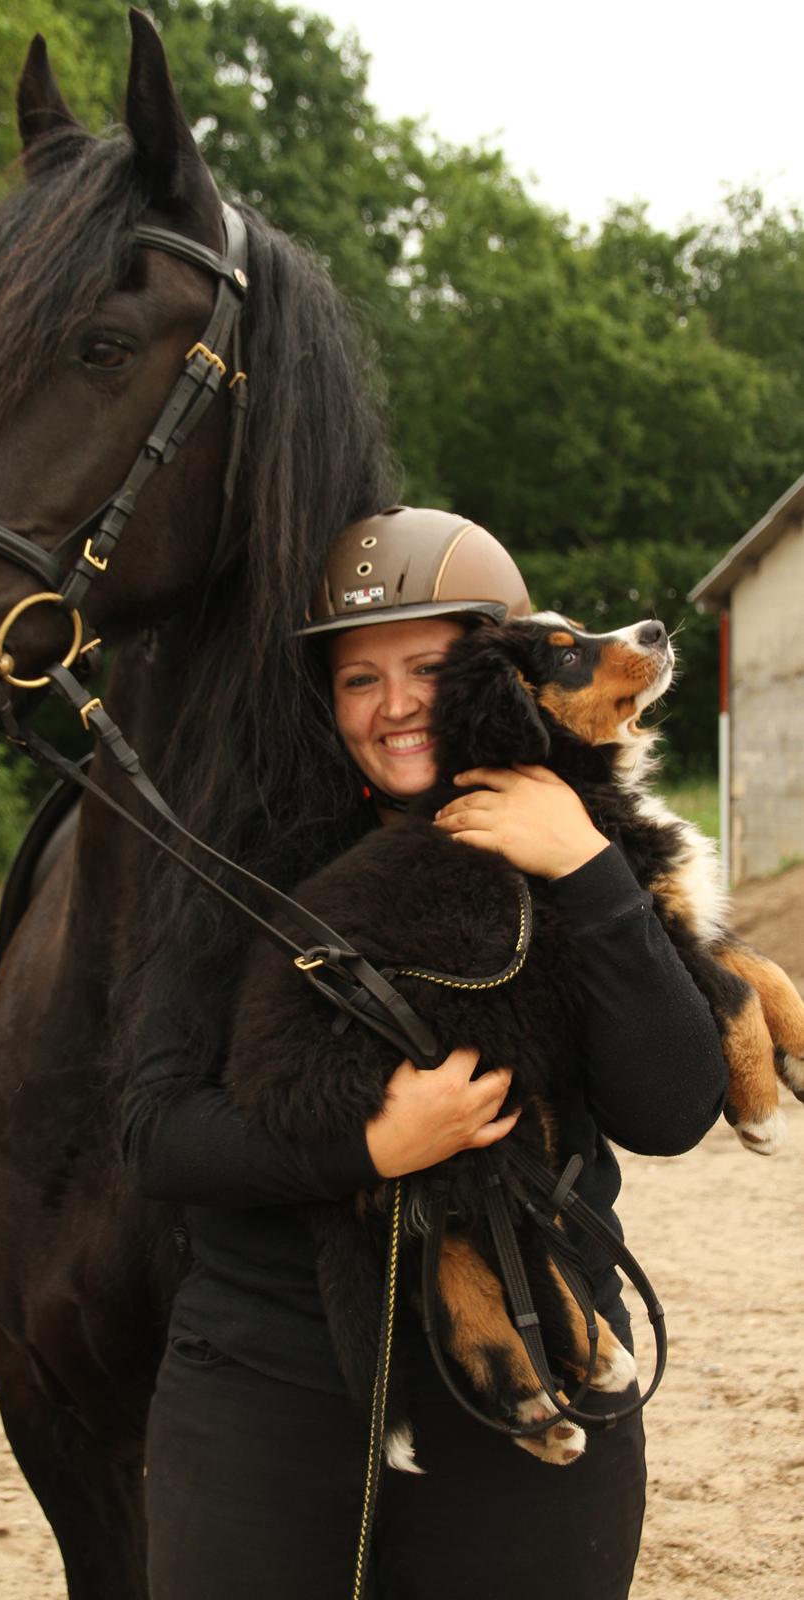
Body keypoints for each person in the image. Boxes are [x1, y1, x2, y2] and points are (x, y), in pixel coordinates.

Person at [122, 506, 727, 1600]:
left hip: (544, 1344)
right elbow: (155, 1134)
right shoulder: (231, 859)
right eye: (358, 679)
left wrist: (588, 871)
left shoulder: (582, 837)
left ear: (495, 672)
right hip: (266, 1375)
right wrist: (377, 1144)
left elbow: (669, 1108)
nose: (395, 704)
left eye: (427, 666)